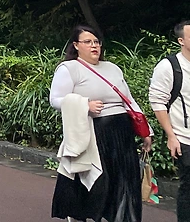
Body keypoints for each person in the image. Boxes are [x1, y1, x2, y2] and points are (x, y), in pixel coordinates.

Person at [51, 24, 150, 221]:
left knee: (124, 180)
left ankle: (122, 217)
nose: (94, 46)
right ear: (76, 45)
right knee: (96, 180)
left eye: (96, 42)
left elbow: (129, 100)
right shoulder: (69, 68)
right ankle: (81, 214)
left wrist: (146, 131)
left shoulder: (112, 68)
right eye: (88, 42)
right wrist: (84, 104)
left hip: (121, 132)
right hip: (93, 132)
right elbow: (55, 100)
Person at [150, 20, 190, 222]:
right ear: (181, 40)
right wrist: (171, 136)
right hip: (185, 138)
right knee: (188, 188)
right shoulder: (169, 67)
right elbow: (158, 102)